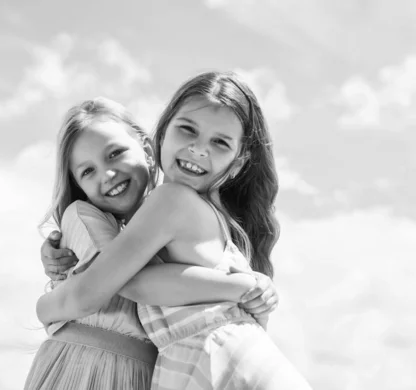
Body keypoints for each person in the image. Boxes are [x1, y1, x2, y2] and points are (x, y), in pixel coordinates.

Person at [36, 72, 312, 389]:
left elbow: (127, 284)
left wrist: (44, 307)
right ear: (162, 132)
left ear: (237, 164)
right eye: (188, 130)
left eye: (220, 142)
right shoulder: (202, 216)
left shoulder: (170, 201)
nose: (198, 149)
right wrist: (241, 286)